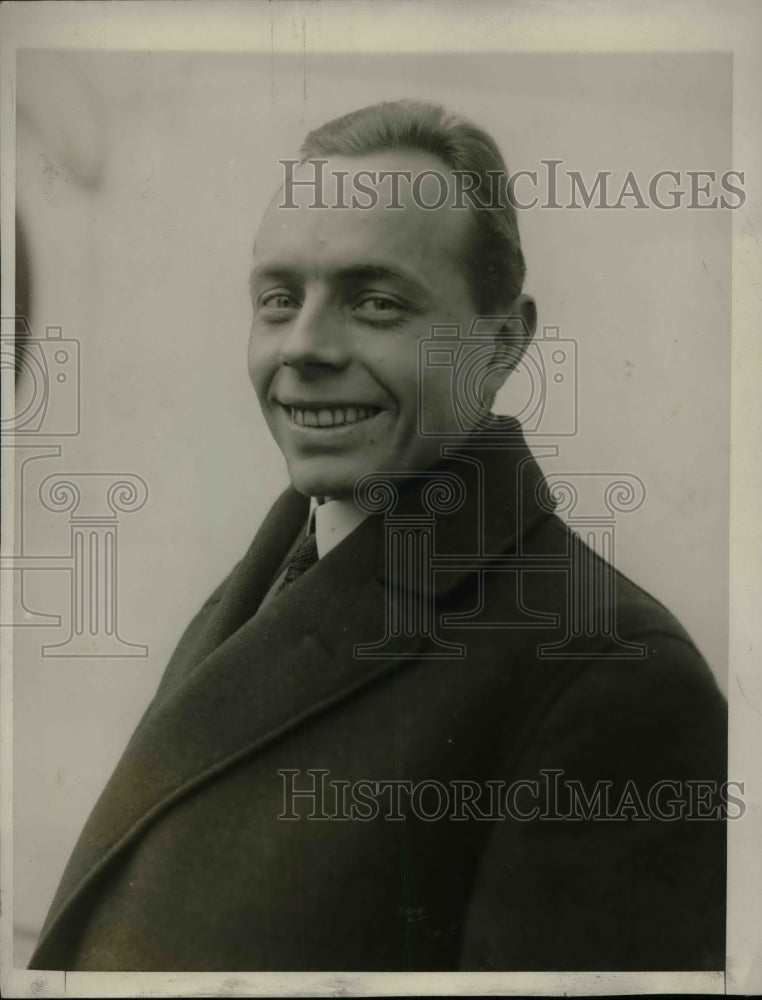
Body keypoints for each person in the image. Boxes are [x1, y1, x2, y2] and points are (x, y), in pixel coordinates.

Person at [29, 100, 726, 973]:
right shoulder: (274, 580)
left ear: (504, 343)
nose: (305, 347)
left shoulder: (612, 677)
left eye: (378, 302)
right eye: (279, 299)